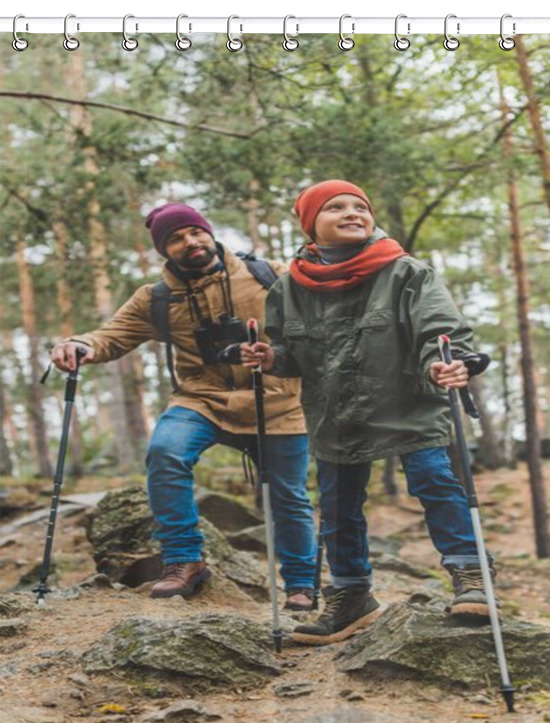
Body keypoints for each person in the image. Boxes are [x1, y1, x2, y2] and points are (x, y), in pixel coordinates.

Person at [243, 180, 494, 646]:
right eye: (335, 207)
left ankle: (471, 576)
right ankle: (352, 595)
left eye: (360, 206)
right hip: (333, 412)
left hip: (408, 402)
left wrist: (443, 363)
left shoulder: (407, 272)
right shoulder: (286, 289)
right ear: (310, 223)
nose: (352, 212)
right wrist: (269, 358)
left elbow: (439, 330)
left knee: (434, 482)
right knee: (337, 508)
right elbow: (287, 351)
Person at [50, 204, 318, 608]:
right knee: (165, 452)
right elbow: (112, 335)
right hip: (201, 400)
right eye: (176, 238)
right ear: (163, 249)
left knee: (289, 496)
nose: (190, 242)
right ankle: (184, 560)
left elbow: (325, 313)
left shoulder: (272, 276)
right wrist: (81, 344)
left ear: (209, 233)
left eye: (195, 232)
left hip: (277, 403)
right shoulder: (157, 298)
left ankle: (301, 583)